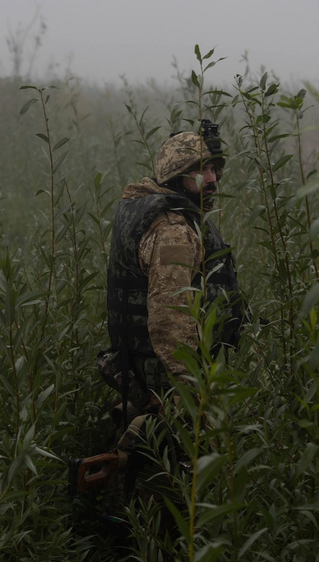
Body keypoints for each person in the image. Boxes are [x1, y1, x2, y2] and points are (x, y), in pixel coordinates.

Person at [103, 120, 243, 422]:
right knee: (185, 461)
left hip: (150, 366)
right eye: (202, 170)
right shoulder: (172, 229)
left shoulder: (160, 212)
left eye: (215, 169)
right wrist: (185, 379)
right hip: (166, 373)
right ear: (177, 175)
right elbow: (171, 308)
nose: (212, 178)